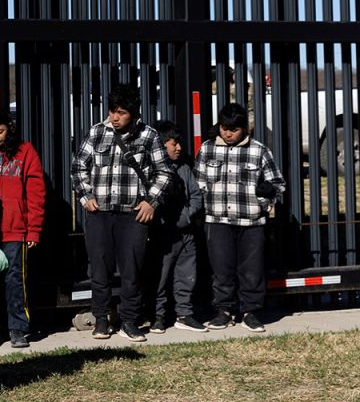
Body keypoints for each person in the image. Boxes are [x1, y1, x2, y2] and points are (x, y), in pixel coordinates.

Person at [71, 83, 173, 343]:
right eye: (112, 111)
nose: (115, 117)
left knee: (131, 270)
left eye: (121, 112)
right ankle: (102, 320)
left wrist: (151, 202)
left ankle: (130, 321)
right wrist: (85, 196)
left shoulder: (148, 135)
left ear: (134, 113)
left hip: (133, 215)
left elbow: (164, 172)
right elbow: (78, 167)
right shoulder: (96, 132)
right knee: (100, 269)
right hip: (99, 214)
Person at [195, 103, 285, 333]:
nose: (228, 133)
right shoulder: (207, 149)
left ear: (245, 128)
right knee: (221, 267)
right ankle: (223, 311)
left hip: (251, 222)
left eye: (234, 129)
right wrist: (205, 204)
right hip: (217, 221)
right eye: (224, 128)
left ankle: (250, 311)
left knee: (251, 269)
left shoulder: (259, 150)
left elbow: (277, 184)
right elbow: (198, 182)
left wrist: (263, 202)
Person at [0, 109, 46, 349]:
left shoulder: (26, 152)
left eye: (0, 131)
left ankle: (18, 328)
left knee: (15, 280)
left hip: (16, 228)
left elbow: (36, 193)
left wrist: (33, 229)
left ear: (9, 128)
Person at [146, 120, 206, 334]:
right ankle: (158, 316)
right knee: (160, 277)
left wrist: (186, 218)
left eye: (178, 143)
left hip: (185, 233)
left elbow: (197, 196)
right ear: (161, 146)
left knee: (187, 274)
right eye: (174, 144)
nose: (179, 148)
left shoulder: (184, 168)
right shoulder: (150, 171)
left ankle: (185, 314)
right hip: (162, 234)